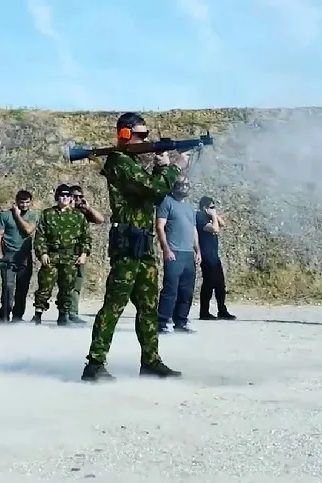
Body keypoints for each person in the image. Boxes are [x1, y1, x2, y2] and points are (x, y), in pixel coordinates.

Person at [81, 111, 188, 382]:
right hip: (127, 244)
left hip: (142, 243)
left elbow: (147, 195)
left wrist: (160, 166)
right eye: (140, 135)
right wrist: (172, 167)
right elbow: (152, 190)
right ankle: (94, 364)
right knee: (114, 306)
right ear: (125, 134)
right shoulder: (119, 162)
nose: (145, 139)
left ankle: (151, 361)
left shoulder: (131, 164)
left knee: (148, 306)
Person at [32, 184, 92, 326]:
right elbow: (40, 236)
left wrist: (83, 254)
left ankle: (63, 316)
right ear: (57, 197)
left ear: (71, 198)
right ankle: (38, 315)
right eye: (62, 195)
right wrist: (42, 253)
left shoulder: (78, 216)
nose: (64, 198)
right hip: (51, 257)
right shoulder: (48, 214)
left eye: (67, 196)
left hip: (70, 258)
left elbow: (86, 237)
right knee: (45, 286)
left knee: (67, 288)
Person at [155, 175, 201, 333]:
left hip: (188, 253)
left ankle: (181, 321)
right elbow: (160, 227)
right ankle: (161, 322)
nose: (184, 186)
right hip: (174, 252)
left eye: (187, 184)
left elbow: (194, 230)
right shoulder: (167, 202)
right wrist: (166, 249)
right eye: (181, 184)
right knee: (170, 288)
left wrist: (197, 250)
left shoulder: (189, 208)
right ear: (174, 186)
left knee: (186, 290)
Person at [0, 190, 39, 322]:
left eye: (27, 202)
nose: (24, 205)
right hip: (9, 255)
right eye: (21, 202)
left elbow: (28, 230)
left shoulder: (33, 215)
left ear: (31, 202)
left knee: (22, 287)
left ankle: (18, 316)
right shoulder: (5, 216)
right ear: (16, 202)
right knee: (7, 287)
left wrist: (17, 215)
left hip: (24, 256)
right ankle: (4, 315)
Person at [68, 184, 105, 324]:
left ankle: (72, 313)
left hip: (79, 253)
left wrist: (88, 207)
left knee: (77, 283)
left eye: (80, 196)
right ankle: (63, 313)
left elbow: (100, 220)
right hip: (63, 252)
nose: (77, 199)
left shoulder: (83, 212)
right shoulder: (64, 211)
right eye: (75, 196)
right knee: (64, 284)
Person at [196, 196, 236, 320]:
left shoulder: (209, 217)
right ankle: (204, 312)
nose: (214, 210)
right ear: (204, 208)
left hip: (214, 256)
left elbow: (222, 224)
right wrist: (213, 216)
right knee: (208, 284)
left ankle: (222, 310)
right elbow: (215, 228)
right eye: (211, 207)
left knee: (220, 284)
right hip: (207, 257)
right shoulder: (200, 218)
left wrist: (214, 213)